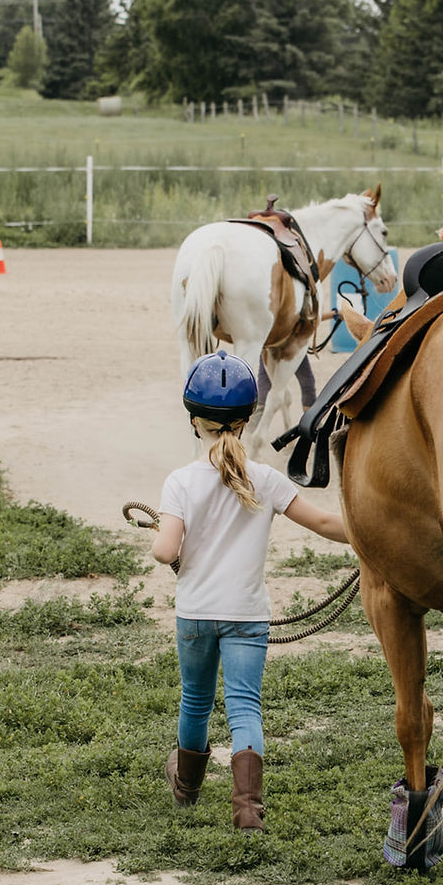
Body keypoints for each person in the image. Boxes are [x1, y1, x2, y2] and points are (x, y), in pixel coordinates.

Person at [152, 349, 348, 831]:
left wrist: (164, 535)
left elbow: (164, 550)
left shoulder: (180, 482)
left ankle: (188, 789)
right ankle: (247, 810)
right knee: (245, 705)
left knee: (195, 700)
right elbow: (324, 522)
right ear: (246, 420)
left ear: (194, 420)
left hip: (196, 613)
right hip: (247, 615)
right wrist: (375, 534)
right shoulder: (265, 478)